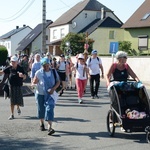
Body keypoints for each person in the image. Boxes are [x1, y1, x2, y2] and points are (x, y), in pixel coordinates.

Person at [32, 57, 60, 135]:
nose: (46, 67)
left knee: (50, 108)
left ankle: (49, 127)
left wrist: (53, 89)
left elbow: (58, 82)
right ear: (42, 65)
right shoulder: (38, 72)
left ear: (49, 64)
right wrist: (33, 85)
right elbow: (34, 82)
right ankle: (41, 123)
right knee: (41, 109)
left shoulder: (53, 72)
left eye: (47, 65)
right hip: (40, 93)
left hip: (50, 94)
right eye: (44, 66)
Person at [0, 55, 26, 120]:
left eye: (14, 61)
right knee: (12, 100)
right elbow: (2, 72)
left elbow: (25, 76)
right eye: (12, 61)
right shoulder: (9, 68)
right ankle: (12, 114)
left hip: (18, 86)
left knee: (18, 100)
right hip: (11, 86)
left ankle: (17, 107)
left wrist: (22, 76)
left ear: (17, 62)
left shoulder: (20, 68)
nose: (13, 63)